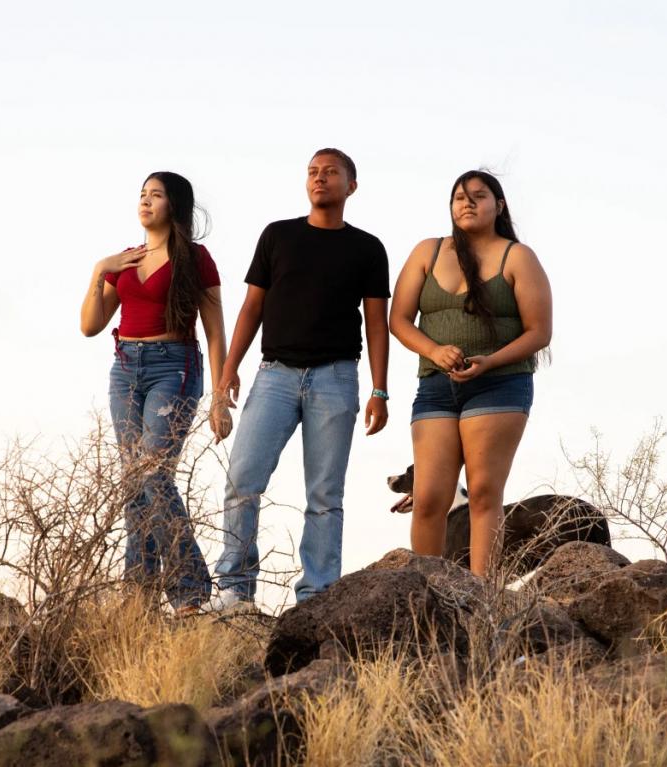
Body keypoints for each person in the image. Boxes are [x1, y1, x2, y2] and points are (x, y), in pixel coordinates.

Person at [204, 148, 390, 610]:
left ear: (352, 185)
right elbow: (252, 307)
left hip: (336, 378)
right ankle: (234, 589)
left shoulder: (368, 248)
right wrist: (229, 370)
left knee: (325, 494)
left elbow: (376, 323)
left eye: (330, 172)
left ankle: (318, 595)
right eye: (312, 172)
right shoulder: (278, 236)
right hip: (274, 376)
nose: (319, 178)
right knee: (242, 478)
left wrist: (379, 390)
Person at [79, 171, 232, 613]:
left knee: (153, 474)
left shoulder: (196, 259)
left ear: (174, 205)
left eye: (156, 195)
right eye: (142, 195)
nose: (145, 202)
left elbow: (216, 334)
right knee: (134, 484)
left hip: (174, 366)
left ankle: (189, 589)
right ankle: (139, 597)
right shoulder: (124, 261)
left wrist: (220, 398)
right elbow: (90, 325)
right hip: (125, 368)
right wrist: (99, 271)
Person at [389, 170, 552, 577]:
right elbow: (400, 319)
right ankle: (426, 593)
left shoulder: (517, 256)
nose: (467, 202)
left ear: (498, 206)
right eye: (459, 197)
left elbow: (540, 331)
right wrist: (434, 350)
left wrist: (490, 361)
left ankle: (482, 598)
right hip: (435, 387)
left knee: (482, 493)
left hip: (499, 384)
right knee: (428, 496)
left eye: (479, 196)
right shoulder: (428, 251)